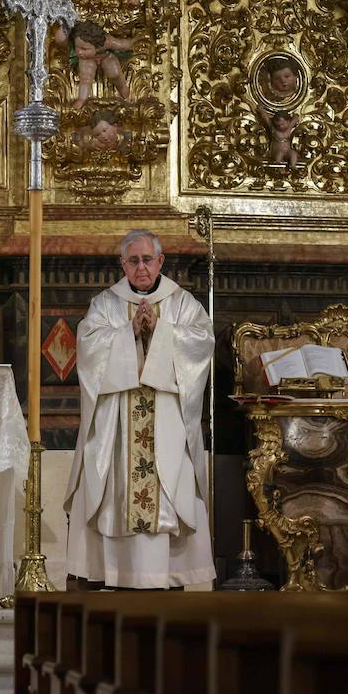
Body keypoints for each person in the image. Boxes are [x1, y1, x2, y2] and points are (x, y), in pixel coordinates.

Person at [63, 229, 215, 590]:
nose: (141, 267)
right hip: (118, 419)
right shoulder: (105, 303)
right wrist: (128, 330)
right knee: (113, 487)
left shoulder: (182, 303)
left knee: (167, 484)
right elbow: (88, 348)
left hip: (165, 417)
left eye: (148, 259)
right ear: (122, 264)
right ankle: (113, 573)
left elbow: (201, 344)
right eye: (133, 260)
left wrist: (161, 330)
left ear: (160, 261)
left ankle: (167, 573)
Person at [58, 21, 133, 109]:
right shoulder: (82, 53)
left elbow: (123, 45)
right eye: (77, 47)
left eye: (84, 49)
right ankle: (82, 99)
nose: (79, 52)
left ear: (97, 47)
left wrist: (134, 42)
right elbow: (60, 41)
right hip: (87, 59)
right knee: (86, 78)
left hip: (106, 56)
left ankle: (123, 89)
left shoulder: (107, 42)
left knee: (114, 73)